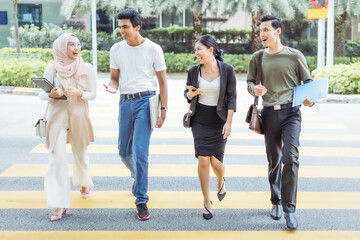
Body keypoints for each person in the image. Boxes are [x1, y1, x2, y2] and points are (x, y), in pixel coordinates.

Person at [246, 15, 315, 230]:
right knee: (274, 160)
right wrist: (253, 89)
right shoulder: (257, 58)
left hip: (291, 113)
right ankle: (275, 200)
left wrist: (309, 99)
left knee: (290, 158)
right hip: (269, 114)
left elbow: (308, 82)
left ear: (278, 31)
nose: (262, 34)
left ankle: (289, 210)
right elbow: (249, 82)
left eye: (266, 30)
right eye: (260, 31)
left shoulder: (295, 56)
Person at [104, 9, 168, 221]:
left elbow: (162, 82)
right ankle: (137, 176)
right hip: (125, 102)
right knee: (123, 152)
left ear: (137, 26)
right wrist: (113, 87)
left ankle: (141, 199)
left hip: (146, 102)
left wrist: (163, 110)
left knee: (140, 153)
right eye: (120, 26)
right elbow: (115, 78)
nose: (121, 30)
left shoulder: (153, 49)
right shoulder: (116, 49)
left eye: (125, 27)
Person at [39, 33, 96, 221]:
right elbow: (42, 94)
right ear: (62, 47)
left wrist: (80, 92)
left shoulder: (87, 67)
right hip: (57, 117)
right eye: (71, 44)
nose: (76, 47)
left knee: (80, 153)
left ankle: (84, 181)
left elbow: (93, 94)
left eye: (78, 43)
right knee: (57, 159)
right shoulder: (52, 68)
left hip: (79, 115)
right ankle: (59, 204)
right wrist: (52, 94)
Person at [184, 35, 236, 220]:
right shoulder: (193, 71)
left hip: (219, 119)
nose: (196, 52)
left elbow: (232, 98)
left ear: (211, 50)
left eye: (199, 49)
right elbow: (187, 93)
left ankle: (221, 180)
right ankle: (207, 201)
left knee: (216, 162)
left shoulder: (227, 70)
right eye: (195, 49)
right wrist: (190, 95)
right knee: (203, 160)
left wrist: (229, 122)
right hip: (199, 119)